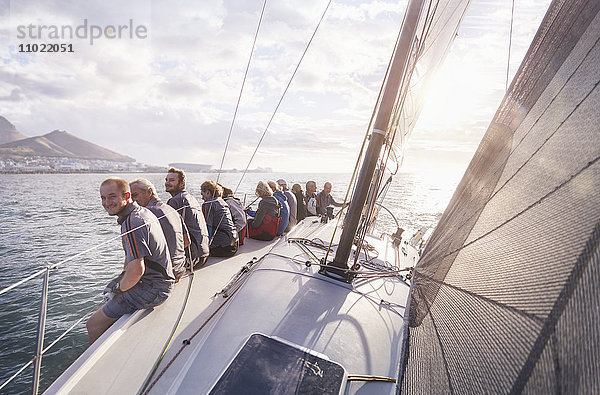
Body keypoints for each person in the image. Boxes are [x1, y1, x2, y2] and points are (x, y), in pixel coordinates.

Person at [87, 177, 174, 344]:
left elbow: (136, 270)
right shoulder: (142, 212)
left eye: (112, 196)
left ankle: (97, 361)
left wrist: (119, 289)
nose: (107, 202)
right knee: (110, 290)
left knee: (93, 325)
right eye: (103, 198)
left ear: (127, 196)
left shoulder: (132, 223)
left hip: (154, 289)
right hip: (160, 281)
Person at [129, 178, 186, 281]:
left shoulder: (146, 214)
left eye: (135, 195)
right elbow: (187, 241)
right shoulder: (171, 209)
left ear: (149, 192)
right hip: (180, 268)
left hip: (165, 275)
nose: (132, 201)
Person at [165, 167, 210, 269]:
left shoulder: (175, 201)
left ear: (182, 183)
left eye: (172, 180)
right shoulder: (190, 197)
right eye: (166, 180)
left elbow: (171, 232)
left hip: (193, 258)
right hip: (203, 253)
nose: (167, 183)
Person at [200, 180, 239, 257]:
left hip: (224, 248)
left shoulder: (208, 204)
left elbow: (208, 228)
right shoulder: (222, 201)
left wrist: (205, 246)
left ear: (208, 192)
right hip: (234, 244)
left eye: (202, 194)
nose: (202, 198)